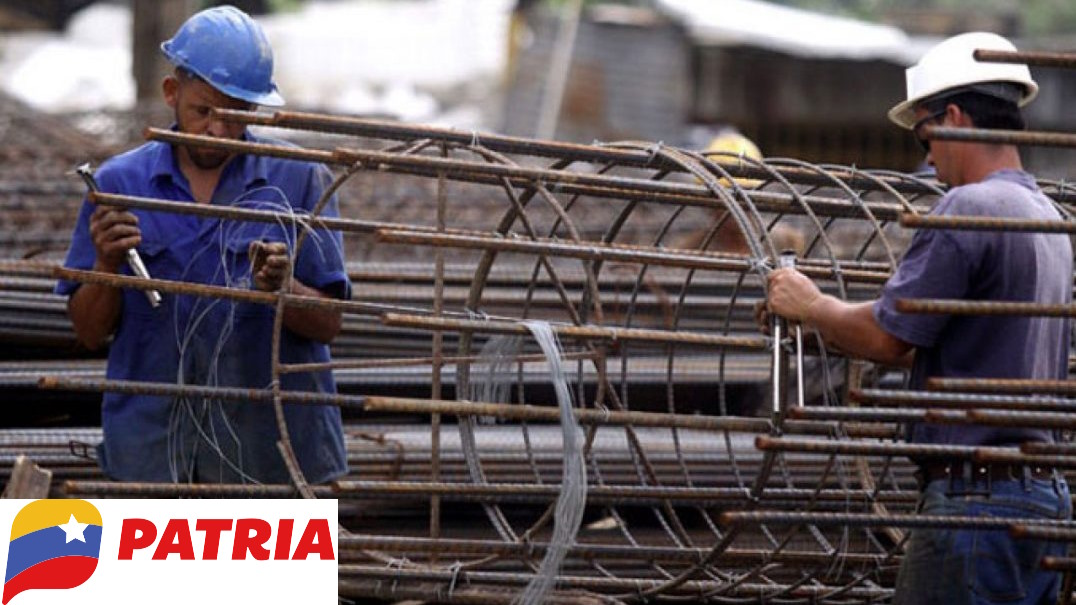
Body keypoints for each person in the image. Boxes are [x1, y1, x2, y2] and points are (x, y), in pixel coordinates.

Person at [760, 32, 1072, 604]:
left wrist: (810, 306)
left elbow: (888, 336)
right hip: (1043, 502)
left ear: (954, 116)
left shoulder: (969, 207)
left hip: (976, 504)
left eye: (928, 136)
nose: (928, 158)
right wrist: (824, 324)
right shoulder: (1046, 217)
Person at [57, 5, 350, 485]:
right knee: (153, 566)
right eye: (204, 111)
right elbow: (89, 332)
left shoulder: (300, 179)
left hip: (271, 459)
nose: (219, 129)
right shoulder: (117, 184)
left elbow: (330, 323)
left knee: (263, 567)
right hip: (153, 456)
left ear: (254, 109)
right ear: (172, 94)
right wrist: (108, 263)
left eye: (236, 115)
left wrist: (283, 288)